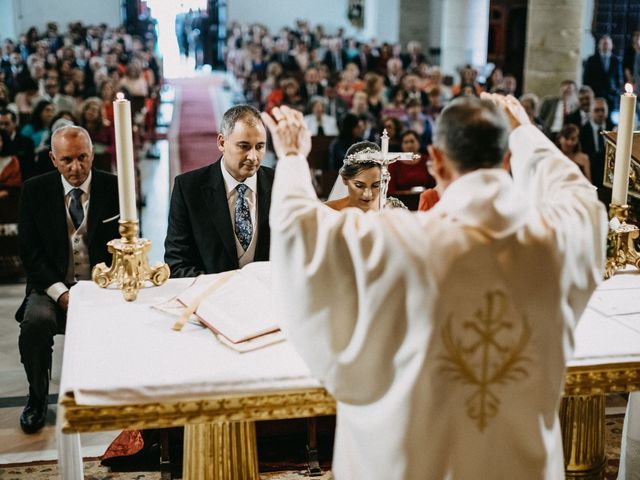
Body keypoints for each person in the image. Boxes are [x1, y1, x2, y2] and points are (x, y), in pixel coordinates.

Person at [262, 100, 607, 479]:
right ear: (506, 159)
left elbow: (298, 232)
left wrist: (293, 156)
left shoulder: (395, 243)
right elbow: (576, 192)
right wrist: (524, 131)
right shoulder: (556, 239)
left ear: (436, 160)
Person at [16, 126, 119, 434]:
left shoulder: (114, 186)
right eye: (67, 160)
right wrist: (61, 294)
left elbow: (128, 242)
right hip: (50, 286)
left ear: (92, 154)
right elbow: (30, 254)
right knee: (35, 322)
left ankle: (112, 393)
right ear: (53, 159)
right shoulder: (34, 191)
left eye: (82, 158)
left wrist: (103, 290)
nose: (76, 168)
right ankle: (36, 399)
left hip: (101, 285)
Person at [164, 104, 274, 278]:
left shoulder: (279, 185)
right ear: (222, 142)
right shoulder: (188, 189)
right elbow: (177, 264)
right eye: (244, 146)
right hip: (209, 300)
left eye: (260, 147)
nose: (253, 157)